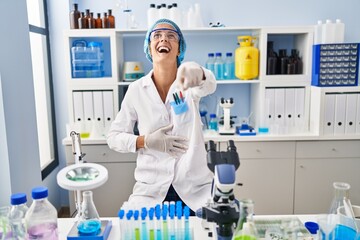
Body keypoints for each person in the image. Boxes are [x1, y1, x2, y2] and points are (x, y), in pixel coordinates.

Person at [106, 18, 217, 213]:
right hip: (151, 190)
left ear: (179, 48)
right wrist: (146, 141)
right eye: (156, 35)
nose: (163, 39)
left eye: (171, 36)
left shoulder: (190, 84)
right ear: (149, 47)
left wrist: (198, 71)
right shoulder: (136, 90)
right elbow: (113, 137)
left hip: (194, 189)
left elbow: (209, 85)